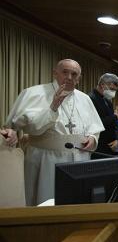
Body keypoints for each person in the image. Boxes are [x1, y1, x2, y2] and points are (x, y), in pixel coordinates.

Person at [5, 59, 104, 205]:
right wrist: (53, 107)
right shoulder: (33, 93)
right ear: (55, 73)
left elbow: (94, 128)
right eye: (65, 72)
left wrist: (92, 138)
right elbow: (25, 127)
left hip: (80, 159)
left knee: (77, 203)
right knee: (45, 202)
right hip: (45, 159)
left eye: (74, 74)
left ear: (79, 79)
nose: (69, 77)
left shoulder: (85, 99)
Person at [89, 73, 118, 159]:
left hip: (111, 147)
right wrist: (115, 116)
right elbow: (96, 123)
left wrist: (117, 139)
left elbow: (114, 125)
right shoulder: (90, 98)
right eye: (111, 89)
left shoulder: (108, 101)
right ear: (102, 85)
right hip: (98, 146)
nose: (113, 93)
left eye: (115, 90)